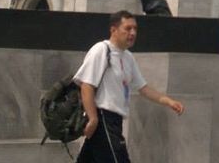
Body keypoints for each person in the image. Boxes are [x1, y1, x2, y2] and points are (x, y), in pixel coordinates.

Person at [74, 10, 184, 163]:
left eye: (135, 29)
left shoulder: (128, 57)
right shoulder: (101, 50)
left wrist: (169, 102)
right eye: (128, 28)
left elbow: (143, 88)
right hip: (104, 119)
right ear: (113, 30)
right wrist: (93, 118)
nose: (132, 33)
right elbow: (86, 85)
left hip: (115, 121)